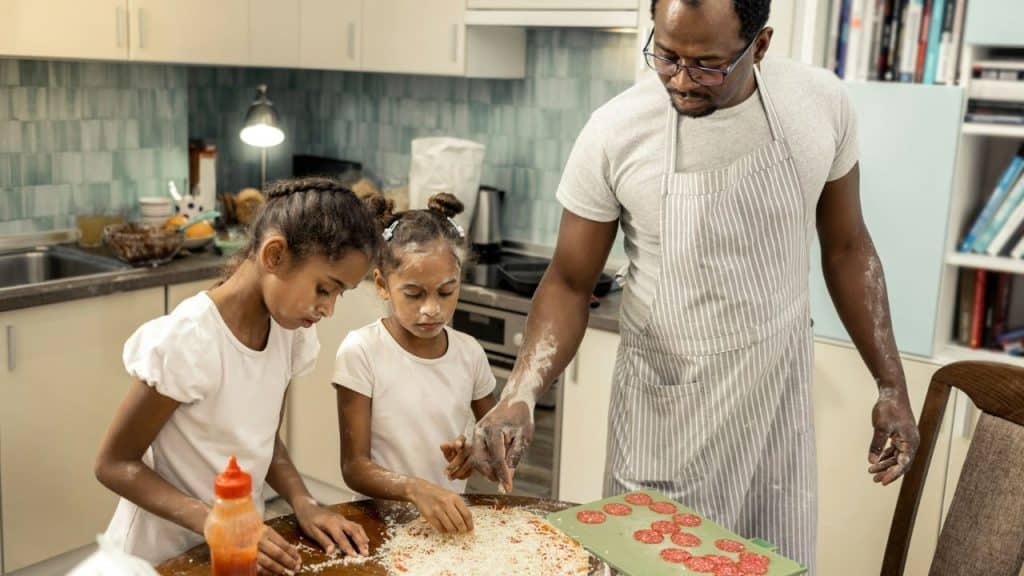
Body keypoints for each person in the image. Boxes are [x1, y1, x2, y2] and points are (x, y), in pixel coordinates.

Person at [468, 0, 920, 570]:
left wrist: (891, 383)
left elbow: (848, 246)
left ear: (759, 46)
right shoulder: (617, 130)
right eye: (666, 55)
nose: (680, 80)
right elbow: (567, 281)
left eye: (706, 64)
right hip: (667, 409)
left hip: (774, 409)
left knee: (770, 563)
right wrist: (520, 393)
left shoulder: (819, 104)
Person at [95, 178, 379, 574]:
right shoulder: (190, 340)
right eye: (323, 289)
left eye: (338, 295)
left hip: (237, 551)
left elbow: (264, 441)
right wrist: (216, 523)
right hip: (155, 557)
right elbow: (114, 464)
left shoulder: (288, 333)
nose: (328, 309)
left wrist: (304, 502)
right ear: (275, 255)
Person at [334, 193, 497, 535]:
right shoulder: (362, 352)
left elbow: (496, 443)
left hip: (445, 526)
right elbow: (354, 467)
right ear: (382, 285)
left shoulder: (469, 354)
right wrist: (416, 489)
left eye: (446, 291)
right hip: (378, 525)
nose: (431, 309)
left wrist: (476, 452)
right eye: (414, 294)